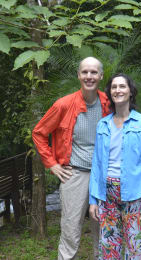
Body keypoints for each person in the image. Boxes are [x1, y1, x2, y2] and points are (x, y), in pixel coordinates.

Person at [32, 57, 110, 260]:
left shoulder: (109, 103)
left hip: (105, 175)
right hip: (74, 175)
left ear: (101, 76)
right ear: (78, 75)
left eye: (94, 72)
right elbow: (39, 133)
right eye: (85, 72)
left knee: (104, 231)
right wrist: (52, 164)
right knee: (71, 230)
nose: (89, 76)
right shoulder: (64, 104)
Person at [89, 73, 141, 259]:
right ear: (109, 93)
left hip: (135, 194)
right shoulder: (102, 125)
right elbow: (96, 164)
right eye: (113, 87)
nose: (117, 90)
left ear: (130, 92)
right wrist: (93, 200)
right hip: (107, 194)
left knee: (135, 247)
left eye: (122, 86)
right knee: (109, 247)